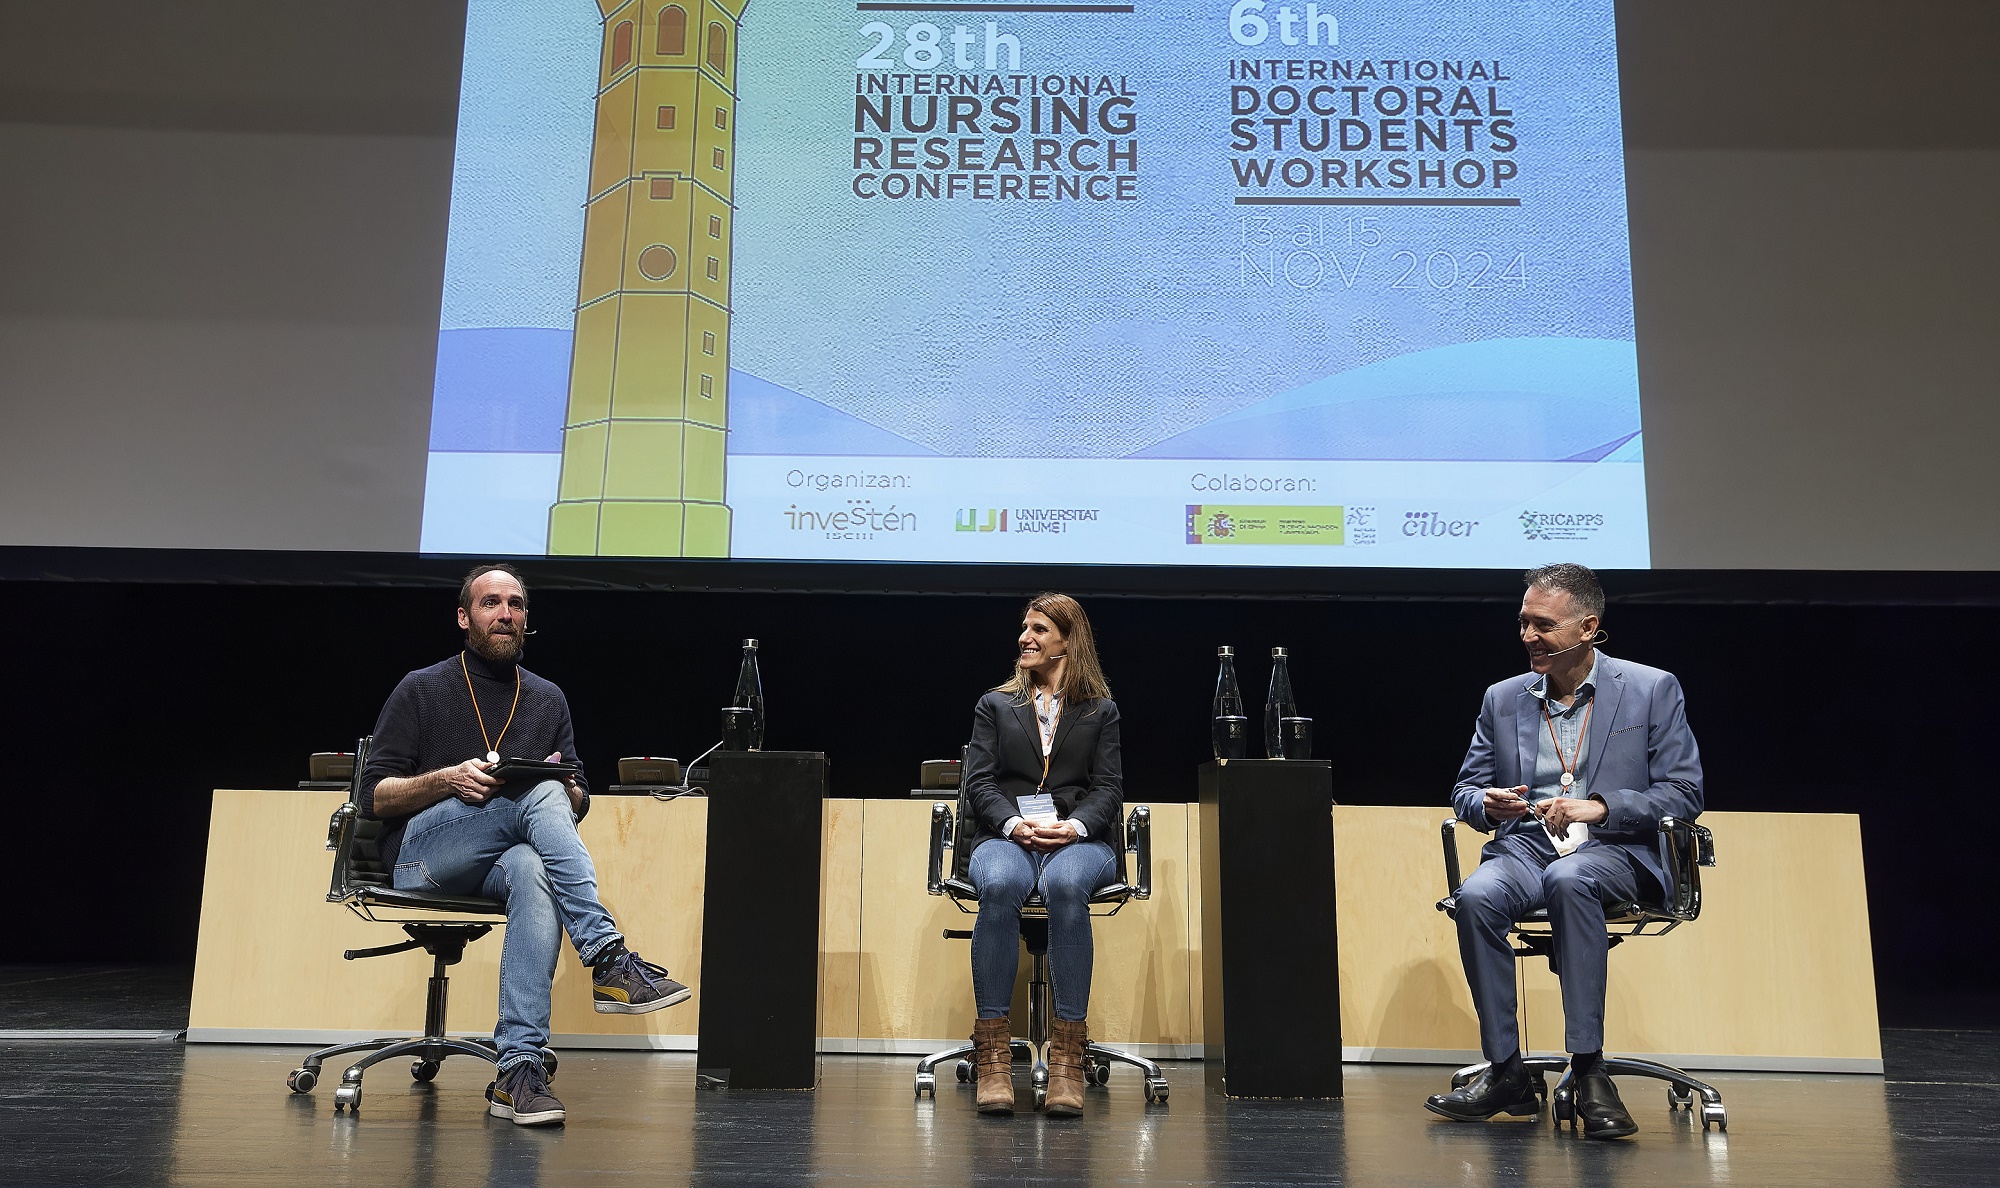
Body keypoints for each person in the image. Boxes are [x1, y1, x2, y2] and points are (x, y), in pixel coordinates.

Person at [359, 563, 690, 1127]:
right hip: (422, 857)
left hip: (500, 861)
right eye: (491, 603)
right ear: (465, 617)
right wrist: (448, 779)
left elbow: (579, 793)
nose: (506, 614)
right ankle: (607, 956)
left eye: (516, 604)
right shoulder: (421, 688)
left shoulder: (546, 698)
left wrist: (566, 792)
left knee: (535, 863)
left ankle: (518, 1070)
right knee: (539, 794)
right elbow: (374, 795)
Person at [1425, 563, 1702, 1140]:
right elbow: (1464, 790)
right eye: (1522, 623)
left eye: (1542, 625)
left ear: (1587, 628)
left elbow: (1683, 791)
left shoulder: (1651, 689)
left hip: (1616, 852)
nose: (1527, 636)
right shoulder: (1503, 700)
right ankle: (1506, 1071)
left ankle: (1588, 1068)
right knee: (1475, 897)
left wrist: (1600, 805)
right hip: (1526, 848)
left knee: (1572, 879)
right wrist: (1488, 804)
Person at [960, 593, 1124, 1117]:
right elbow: (979, 783)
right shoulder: (996, 705)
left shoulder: (1100, 712)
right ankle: (991, 1054)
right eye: (1024, 628)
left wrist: (1074, 827)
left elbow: (1109, 790)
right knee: (1003, 883)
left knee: (1066, 884)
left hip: (1079, 842)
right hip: (1005, 837)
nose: (1024, 638)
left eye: (1038, 629)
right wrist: (1013, 822)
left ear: (1067, 641)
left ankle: (1069, 1060)